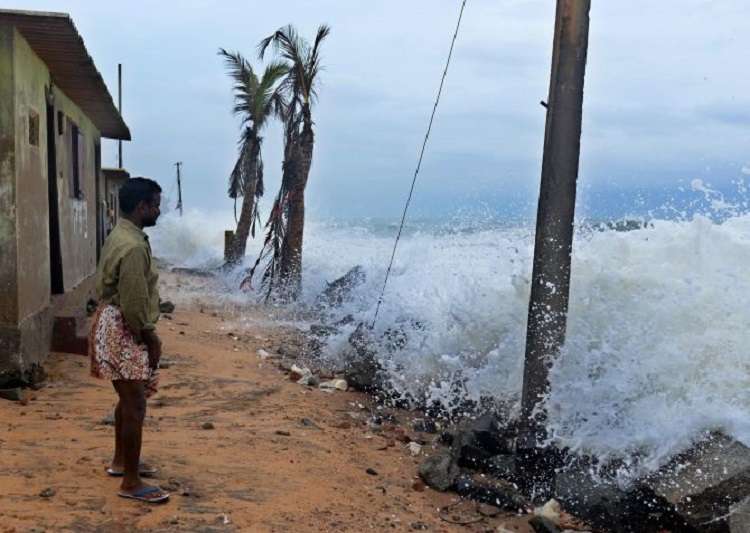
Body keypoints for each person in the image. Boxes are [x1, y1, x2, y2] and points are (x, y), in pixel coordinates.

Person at [89, 177, 169, 503]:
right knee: (135, 402)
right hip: (125, 326)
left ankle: (121, 463)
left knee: (127, 397)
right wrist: (151, 339)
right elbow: (135, 305)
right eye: (155, 205)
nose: (159, 210)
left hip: (111, 321)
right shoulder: (134, 247)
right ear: (141, 207)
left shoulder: (121, 232)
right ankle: (131, 483)